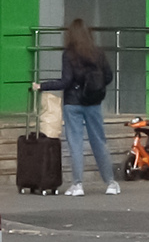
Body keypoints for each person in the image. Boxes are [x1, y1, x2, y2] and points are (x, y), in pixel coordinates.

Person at [35, 19, 117, 196]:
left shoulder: (69, 54)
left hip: (73, 103)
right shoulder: (98, 53)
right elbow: (109, 76)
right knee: (99, 142)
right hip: (93, 103)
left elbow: (66, 81)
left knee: (75, 144)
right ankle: (111, 183)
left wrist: (42, 86)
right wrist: (96, 88)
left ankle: (78, 185)